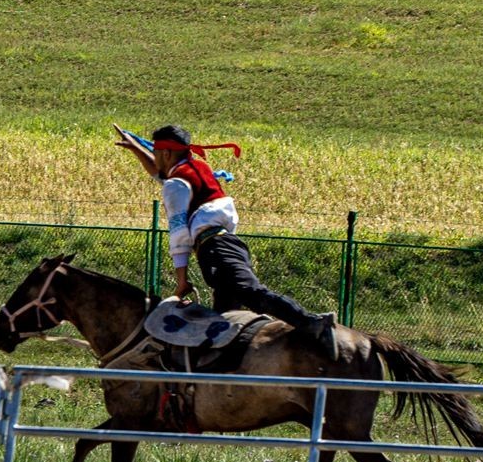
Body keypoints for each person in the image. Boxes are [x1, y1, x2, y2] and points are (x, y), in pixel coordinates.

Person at [118, 124, 338, 360]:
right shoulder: (196, 167)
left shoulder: (177, 183)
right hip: (225, 243)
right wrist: (137, 149)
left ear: (166, 153)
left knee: (250, 292)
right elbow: (163, 173)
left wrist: (181, 281)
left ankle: (312, 322)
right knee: (223, 322)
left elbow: (179, 234)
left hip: (215, 248)